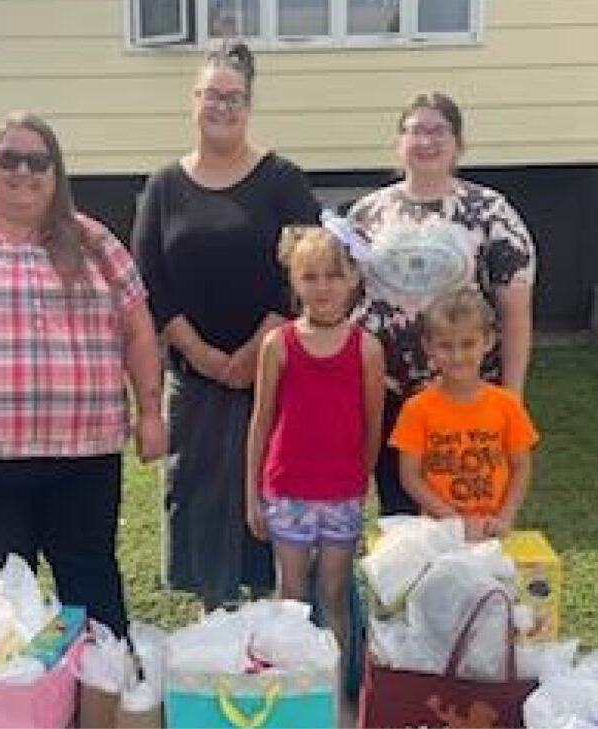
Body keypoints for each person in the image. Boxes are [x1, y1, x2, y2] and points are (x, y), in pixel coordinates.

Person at [0, 111, 165, 638]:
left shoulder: (93, 241)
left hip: (83, 455)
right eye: (9, 158)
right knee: (1, 591)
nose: (23, 171)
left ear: (56, 172)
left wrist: (150, 413)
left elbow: (138, 331)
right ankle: (13, 705)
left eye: (37, 161)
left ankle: (99, 705)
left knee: (90, 585)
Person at [132, 41, 321, 611]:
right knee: (198, 496)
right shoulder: (164, 186)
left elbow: (305, 268)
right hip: (193, 377)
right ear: (194, 101)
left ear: (249, 104)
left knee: (270, 493)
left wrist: (254, 350)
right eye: (211, 95)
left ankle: (271, 620)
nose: (222, 107)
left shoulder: (282, 179)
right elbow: (149, 281)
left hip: (273, 374)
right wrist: (202, 353)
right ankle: (212, 621)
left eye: (233, 97)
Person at [347, 91, 536, 517]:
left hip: (464, 395)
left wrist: (512, 397)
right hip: (387, 393)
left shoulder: (491, 212)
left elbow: (516, 313)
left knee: (465, 509)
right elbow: (344, 300)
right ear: (399, 142)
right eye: (416, 131)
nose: (426, 141)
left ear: (458, 143)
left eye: (438, 131)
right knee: (400, 513)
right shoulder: (368, 213)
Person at [245, 223, 385, 686]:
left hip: (341, 494)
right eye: (310, 276)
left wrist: (359, 485)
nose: (322, 287)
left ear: (352, 280)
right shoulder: (277, 344)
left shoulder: (366, 348)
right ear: (294, 280)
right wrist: (253, 495)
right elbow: (261, 421)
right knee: (291, 595)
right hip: (286, 490)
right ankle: (292, 693)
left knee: (334, 594)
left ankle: (336, 695)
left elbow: (372, 426)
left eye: (332, 275)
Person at [390, 288, 539, 540]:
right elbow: (410, 476)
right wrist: (453, 521)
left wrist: (505, 518)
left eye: (468, 344)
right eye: (445, 346)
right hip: (438, 530)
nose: (457, 356)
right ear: (428, 346)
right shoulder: (416, 408)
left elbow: (521, 467)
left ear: (488, 341)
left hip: (493, 529)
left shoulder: (507, 405)